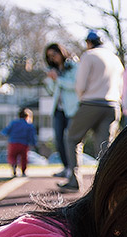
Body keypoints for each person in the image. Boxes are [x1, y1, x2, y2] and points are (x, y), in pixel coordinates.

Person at [60, 29, 124, 193]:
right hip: (113, 105)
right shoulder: (115, 58)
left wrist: (81, 97)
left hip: (91, 103)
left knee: (72, 138)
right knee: (104, 147)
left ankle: (74, 180)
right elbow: (121, 86)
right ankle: (106, 185)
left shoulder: (89, 55)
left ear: (89, 43)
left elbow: (80, 84)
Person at [44, 43, 79, 178]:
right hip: (58, 109)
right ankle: (66, 167)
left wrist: (58, 79)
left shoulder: (73, 66)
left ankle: (73, 168)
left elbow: (75, 85)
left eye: (54, 54)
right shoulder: (53, 70)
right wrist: (51, 80)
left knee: (70, 139)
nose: (52, 58)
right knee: (58, 140)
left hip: (72, 109)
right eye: (49, 56)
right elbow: (52, 90)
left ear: (61, 52)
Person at [0, 108, 37, 177]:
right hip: (24, 144)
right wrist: (34, 144)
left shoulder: (14, 123)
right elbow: (32, 136)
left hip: (13, 143)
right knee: (24, 158)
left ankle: (14, 166)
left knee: (12, 156)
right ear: (27, 116)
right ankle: (23, 171)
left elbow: (5, 131)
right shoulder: (29, 125)